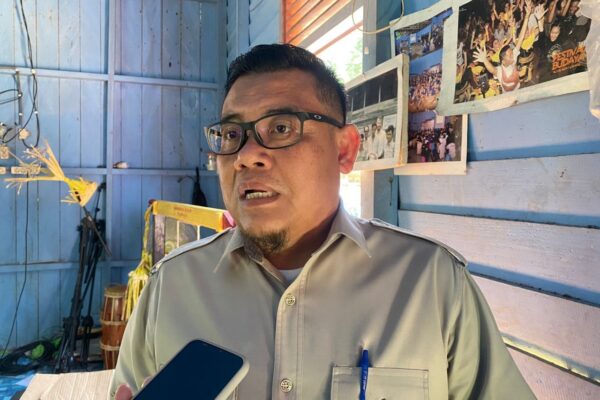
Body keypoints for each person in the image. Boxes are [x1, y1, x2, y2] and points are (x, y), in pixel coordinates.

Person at [110, 43, 534, 399]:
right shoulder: (172, 287)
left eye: (281, 127)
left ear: (344, 150)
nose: (246, 156)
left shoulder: (432, 283)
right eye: (232, 134)